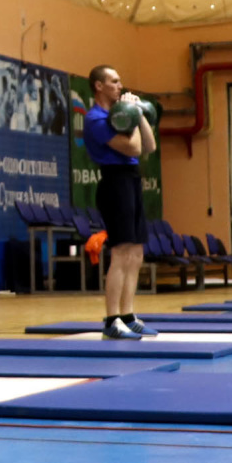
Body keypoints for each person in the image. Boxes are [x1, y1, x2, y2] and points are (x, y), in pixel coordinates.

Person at [83, 66, 154, 339]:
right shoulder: (96, 119)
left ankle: (128, 315)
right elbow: (133, 148)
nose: (120, 85)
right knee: (122, 253)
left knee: (136, 254)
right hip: (114, 183)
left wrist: (137, 114)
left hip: (132, 180)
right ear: (99, 86)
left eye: (120, 81)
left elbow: (149, 146)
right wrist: (132, 117)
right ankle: (112, 319)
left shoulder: (120, 114)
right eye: (114, 81)